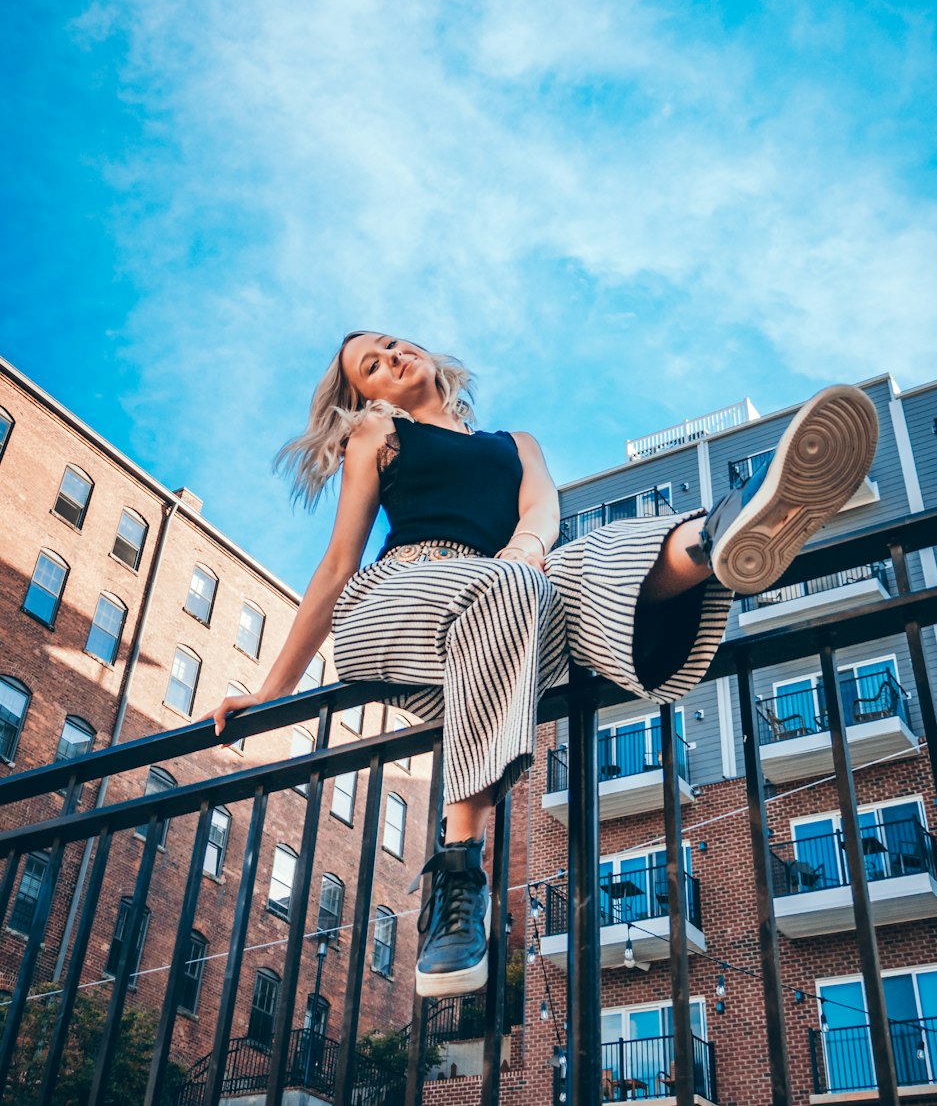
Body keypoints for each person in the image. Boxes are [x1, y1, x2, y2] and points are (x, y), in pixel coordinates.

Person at [210, 333, 878, 999]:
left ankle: (720, 534)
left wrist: (525, 549)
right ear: (367, 395)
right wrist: (273, 690)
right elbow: (337, 564)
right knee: (518, 586)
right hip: (396, 603)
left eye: (390, 344)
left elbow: (543, 512)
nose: (390, 358)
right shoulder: (381, 436)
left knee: (578, 562)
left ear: (424, 350)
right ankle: (459, 867)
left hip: (503, 620)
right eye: (372, 366)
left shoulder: (516, 443)